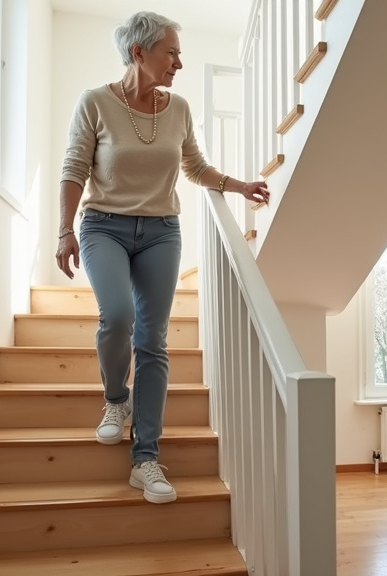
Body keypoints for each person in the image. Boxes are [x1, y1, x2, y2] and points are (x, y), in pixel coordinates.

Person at [54, 11, 270, 505]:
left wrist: (238, 186)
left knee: (152, 340)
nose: (179, 61)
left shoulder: (179, 109)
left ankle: (145, 457)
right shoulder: (95, 103)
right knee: (117, 317)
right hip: (103, 225)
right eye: (170, 51)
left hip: (161, 233)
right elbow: (73, 168)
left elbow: (194, 166)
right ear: (139, 53)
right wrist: (65, 231)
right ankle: (115, 401)